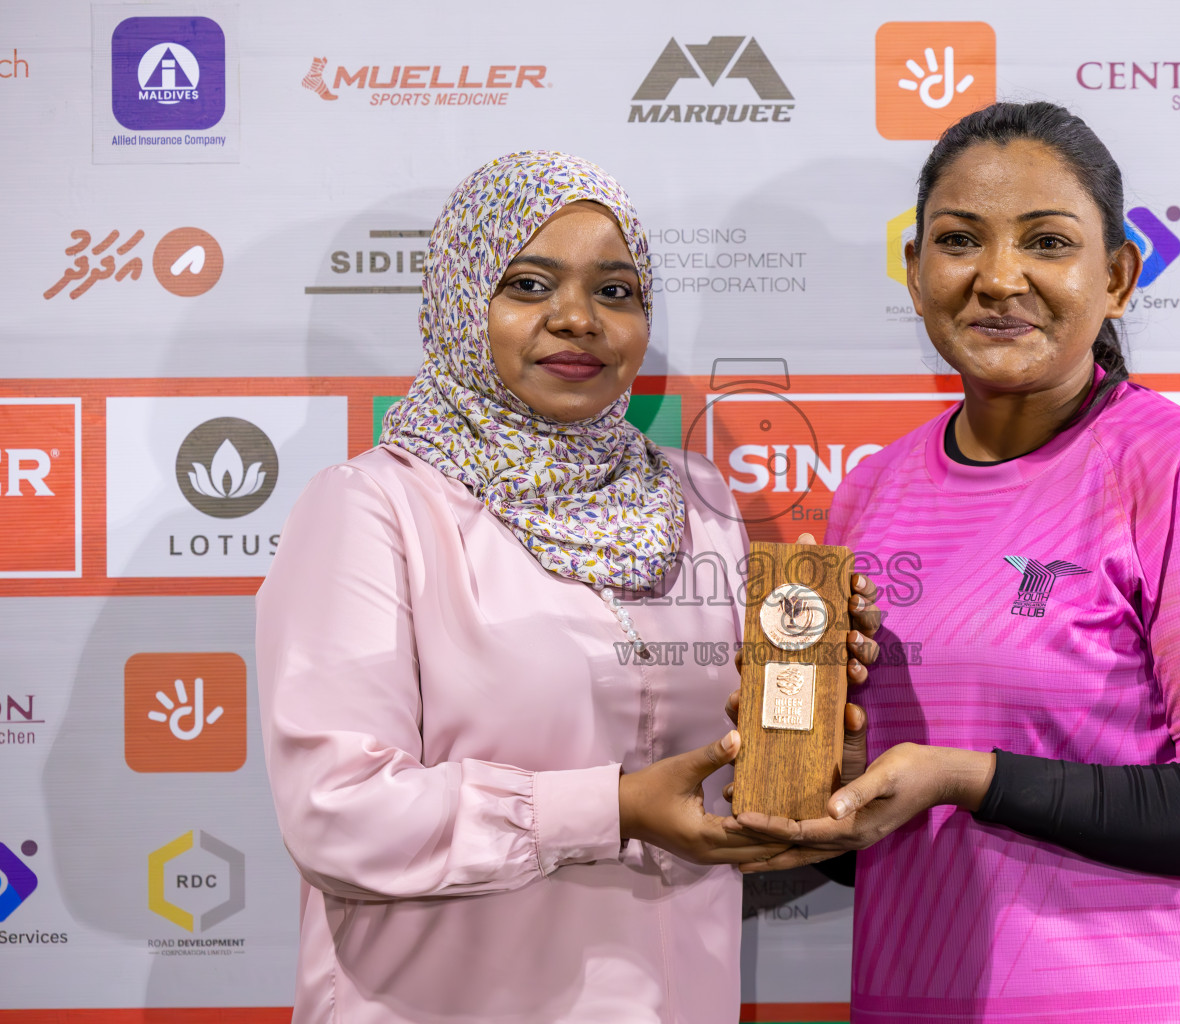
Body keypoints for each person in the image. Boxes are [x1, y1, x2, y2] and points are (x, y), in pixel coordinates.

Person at [254, 151, 878, 1024]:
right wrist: (611, 808)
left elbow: (722, 767)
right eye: (529, 284)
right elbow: (338, 814)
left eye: (616, 291)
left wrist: (809, 744)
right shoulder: (374, 507)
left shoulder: (699, 502)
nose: (577, 318)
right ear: (462, 303)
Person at [730, 103, 1180, 1024]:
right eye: (960, 239)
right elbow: (886, 846)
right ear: (915, 271)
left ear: (1118, 276)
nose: (999, 278)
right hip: (914, 997)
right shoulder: (872, 491)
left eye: (1047, 242)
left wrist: (972, 778)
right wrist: (833, 776)